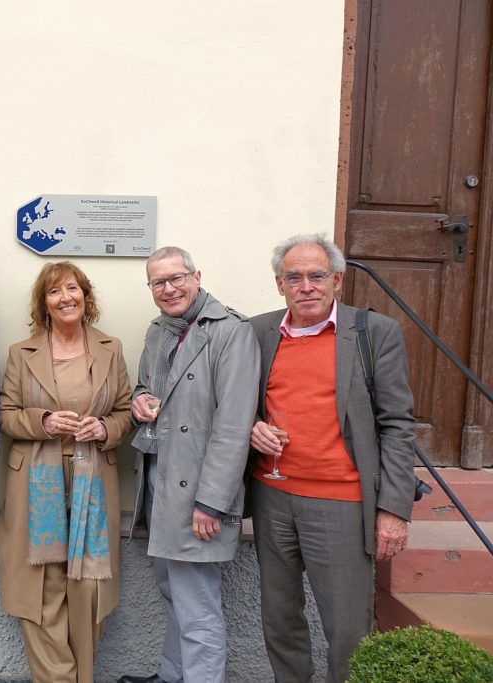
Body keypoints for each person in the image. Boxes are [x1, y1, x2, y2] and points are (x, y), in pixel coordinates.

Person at [248, 233, 415, 683]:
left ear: (337, 281)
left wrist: (393, 510)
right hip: (273, 496)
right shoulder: (258, 332)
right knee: (279, 621)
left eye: (317, 275)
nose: (307, 286)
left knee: (347, 629)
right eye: (294, 277)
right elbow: (237, 403)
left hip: (342, 502)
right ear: (279, 284)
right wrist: (250, 428)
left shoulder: (373, 332)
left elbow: (398, 424)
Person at [117, 246, 259, 683]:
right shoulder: (159, 330)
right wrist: (140, 401)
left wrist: (212, 502)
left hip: (199, 489)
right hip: (160, 481)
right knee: (174, 592)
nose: (168, 289)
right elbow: (145, 386)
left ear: (197, 276)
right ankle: (172, 675)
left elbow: (235, 425)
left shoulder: (230, 332)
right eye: (158, 282)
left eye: (176, 278)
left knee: (197, 606)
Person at [0, 262, 132, 683]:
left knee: (88, 585)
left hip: (93, 479)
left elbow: (126, 412)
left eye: (72, 289)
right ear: (44, 304)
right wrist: (43, 422)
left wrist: (105, 427)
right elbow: (4, 415)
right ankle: (56, 678)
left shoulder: (112, 348)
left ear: (86, 297)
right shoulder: (22, 352)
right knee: (43, 587)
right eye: (54, 292)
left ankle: (84, 675)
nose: (65, 298)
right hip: (38, 481)